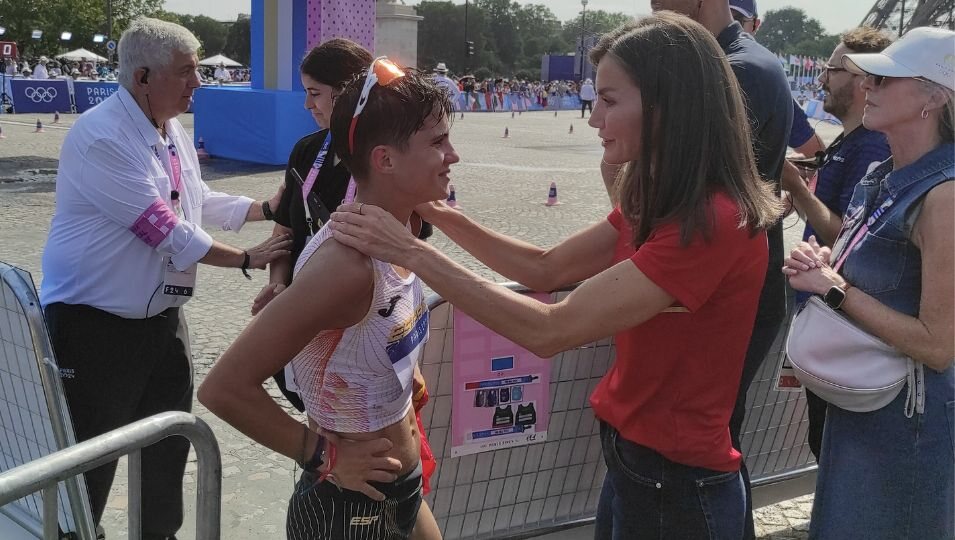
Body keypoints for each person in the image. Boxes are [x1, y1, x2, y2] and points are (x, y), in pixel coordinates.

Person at [330, 13, 782, 538]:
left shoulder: (709, 222)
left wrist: (412, 250)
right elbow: (545, 266)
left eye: (610, 101)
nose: (595, 119)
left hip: (678, 484)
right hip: (637, 463)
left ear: (667, 108)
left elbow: (550, 330)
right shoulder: (666, 201)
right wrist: (437, 213)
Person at [39, 17, 290, 540]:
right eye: (186, 73)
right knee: (88, 464)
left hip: (161, 321)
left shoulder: (167, 126)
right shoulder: (101, 137)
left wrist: (262, 207)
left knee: (168, 452)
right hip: (93, 328)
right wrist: (247, 258)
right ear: (143, 77)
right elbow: (165, 230)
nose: (197, 84)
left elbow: (193, 201)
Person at [199, 62, 453, 540]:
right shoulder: (347, 266)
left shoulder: (402, 232)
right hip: (347, 504)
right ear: (385, 160)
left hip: (399, 486)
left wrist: (397, 373)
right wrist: (324, 456)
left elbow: (367, 332)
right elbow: (222, 388)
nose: (453, 155)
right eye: (438, 143)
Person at [783, 26, 954, 538]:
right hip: (865, 401)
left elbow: (938, 345)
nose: (869, 85)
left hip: (905, 420)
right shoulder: (885, 172)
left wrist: (833, 287)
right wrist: (826, 263)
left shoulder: (943, 197)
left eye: (886, 77)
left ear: (934, 98)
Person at [646, 3, 791, 536]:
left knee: (706, 447)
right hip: (734, 268)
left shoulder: (734, 70)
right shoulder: (746, 60)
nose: (652, 6)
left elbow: (688, 184)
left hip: (723, 278)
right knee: (713, 439)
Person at [779, 28, 892, 460]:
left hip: (843, 322)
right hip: (832, 315)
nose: (823, 78)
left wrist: (800, 191)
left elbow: (848, 236)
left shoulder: (871, 146)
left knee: (832, 446)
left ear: (866, 79)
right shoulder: (853, 140)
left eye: (833, 68)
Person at [728, 0, 826, 159]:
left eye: (736, 21)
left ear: (755, 25)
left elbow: (815, 153)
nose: (726, 26)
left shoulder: (763, 78)